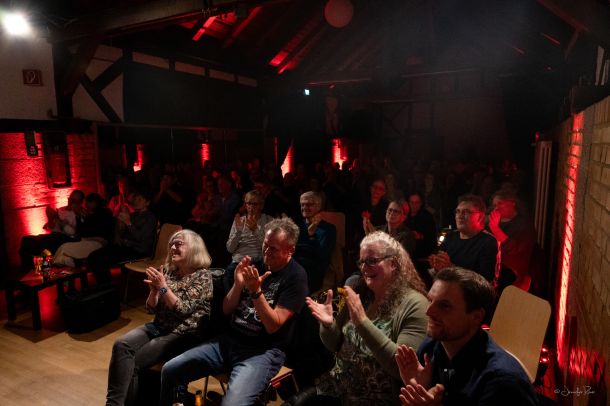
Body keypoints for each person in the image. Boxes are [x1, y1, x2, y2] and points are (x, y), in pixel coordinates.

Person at [160, 217, 308, 405]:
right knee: (171, 370)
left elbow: (273, 325)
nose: (266, 251)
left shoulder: (296, 277)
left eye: (274, 248)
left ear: (290, 250)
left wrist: (256, 292)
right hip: (229, 341)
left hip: (262, 352)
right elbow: (226, 309)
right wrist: (238, 285)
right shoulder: (254, 264)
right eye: (265, 244)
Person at [294, 232, 428, 405]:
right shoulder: (361, 293)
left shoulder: (415, 305)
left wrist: (362, 322)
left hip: (374, 399)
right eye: (361, 262)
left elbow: (401, 369)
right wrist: (328, 325)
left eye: (371, 261)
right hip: (336, 387)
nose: (364, 267)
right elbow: (335, 345)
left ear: (394, 263)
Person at [395, 267, 539, 406]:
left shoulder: (502, 381)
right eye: (430, 300)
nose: (428, 311)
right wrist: (420, 390)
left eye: (444, 306)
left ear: (476, 317)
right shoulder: (432, 346)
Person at [106, 230, 213, 406]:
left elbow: (182, 309)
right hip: (160, 326)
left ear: (194, 248)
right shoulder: (171, 271)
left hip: (183, 333)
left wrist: (162, 287)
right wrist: (154, 292)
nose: (173, 247)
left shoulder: (202, 276)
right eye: (171, 244)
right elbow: (150, 309)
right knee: (121, 344)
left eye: (178, 244)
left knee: (134, 361)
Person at [88, 190, 157, 284]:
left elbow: (141, 238)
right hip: (126, 247)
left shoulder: (150, 217)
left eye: (139, 199)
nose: (136, 201)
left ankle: (106, 287)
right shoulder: (133, 215)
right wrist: (120, 223)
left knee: (98, 258)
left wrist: (128, 223)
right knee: (93, 256)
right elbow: (121, 234)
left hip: (138, 251)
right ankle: (105, 286)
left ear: (147, 203)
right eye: (135, 199)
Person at [428, 194, 499, 283]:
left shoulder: (488, 242)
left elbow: (485, 280)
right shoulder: (450, 237)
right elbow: (440, 266)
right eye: (458, 211)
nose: (460, 216)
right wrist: (436, 266)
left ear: (480, 217)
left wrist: (451, 268)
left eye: (466, 212)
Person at [19, 189, 86, 272]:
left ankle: (44, 269)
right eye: (70, 199)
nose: (71, 202)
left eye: (74, 201)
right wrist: (50, 219)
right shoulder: (61, 210)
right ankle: (27, 270)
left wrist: (57, 218)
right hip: (54, 235)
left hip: (67, 238)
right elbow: (51, 227)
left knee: (46, 243)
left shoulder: (80, 214)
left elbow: (72, 232)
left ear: (80, 203)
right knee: (27, 240)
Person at [487, 189, 536, 291]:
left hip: (514, 277)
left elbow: (514, 248)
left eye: (500, 203)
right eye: (495, 205)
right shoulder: (494, 223)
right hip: (493, 272)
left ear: (512, 203)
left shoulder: (524, 224)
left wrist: (495, 229)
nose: (497, 208)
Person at [225, 190, 274, 282]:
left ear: (261, 205)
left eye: (255, 204)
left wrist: (255, 230)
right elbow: (230, 249)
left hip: (258, 261)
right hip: (239, 261)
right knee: (229, 272)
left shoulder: (269, 220)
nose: (251, 207)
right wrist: (238, 232)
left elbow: (269, 247)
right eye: (248, 203)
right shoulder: (239, 221)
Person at [53, 193, 114, 267]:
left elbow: (87, 232)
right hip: (87, 242)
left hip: (97, 244)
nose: (87, 207)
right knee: (62, 251)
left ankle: (69, 264)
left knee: (64, 248)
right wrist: (79, 216)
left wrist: (82, 217)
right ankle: (73, 263)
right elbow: (82, 232)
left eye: (88, 205)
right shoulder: (90, 214)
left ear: (93, 203)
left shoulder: (104, 213)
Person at [294, 191, 336, 294]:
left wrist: (311, 236)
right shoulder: (296, 226)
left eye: (309, 204)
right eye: (302, 205)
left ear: (318, 206)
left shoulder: (328, 229)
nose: (305, 207)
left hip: (313, 272)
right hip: (294, 267)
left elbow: (321, 255)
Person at [405, 192, 437, 261]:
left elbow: (432, 238)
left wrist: (420, 236)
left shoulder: (427, 217)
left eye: (417, 202)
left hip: (422, 254)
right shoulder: (404, 215)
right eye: (412, 202)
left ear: (421, 203)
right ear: (408, 203)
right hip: (406, 253)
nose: (414, 205)